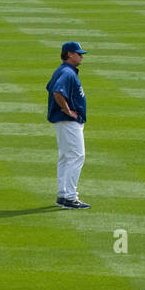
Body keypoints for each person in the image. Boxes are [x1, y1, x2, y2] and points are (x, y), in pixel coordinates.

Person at [46, 41, 90, 209]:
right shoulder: (67, 72)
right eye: (79, 54)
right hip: (68, 122)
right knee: (77, 156)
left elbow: (49, 87)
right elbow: (57, 91)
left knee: (66, 157)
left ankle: (63, 195)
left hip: (63, 121)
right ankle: (70, 197)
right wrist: (67, 110)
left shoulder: (62, 70)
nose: (81, 57)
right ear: (70, 54)